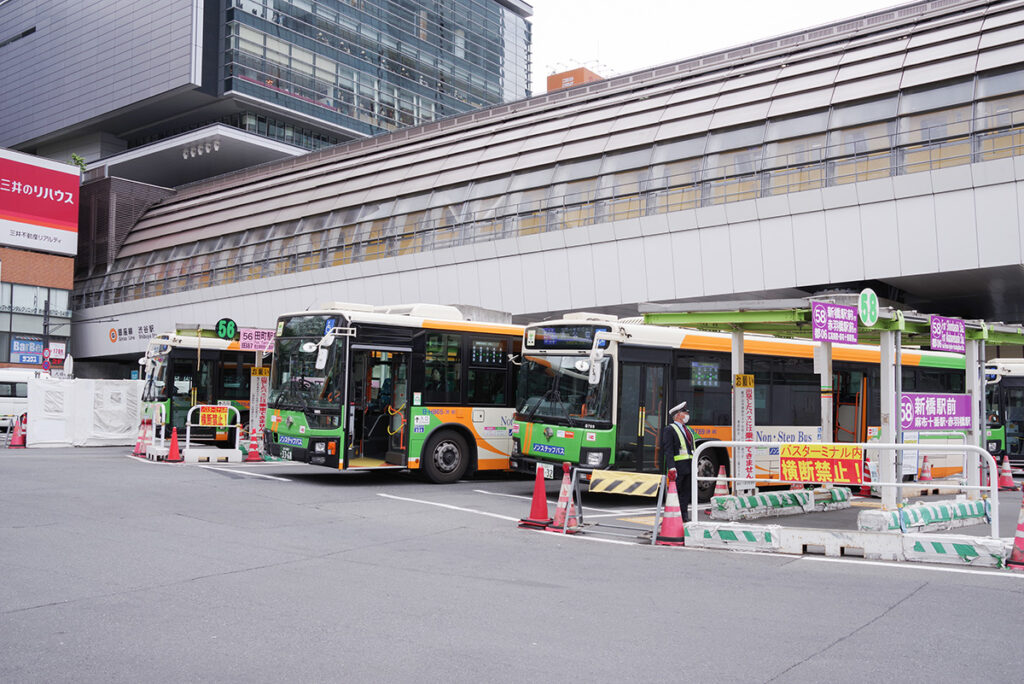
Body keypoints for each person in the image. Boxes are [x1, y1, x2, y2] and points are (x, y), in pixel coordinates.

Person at [661, 401, 696, 521]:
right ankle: (673, 517)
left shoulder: (688, 430)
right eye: (685, 412)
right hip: (678, 467)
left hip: (689, 466)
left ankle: (684, 516)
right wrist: (671, 467)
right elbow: (668, 450)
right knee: (675, 493)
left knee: (686, 493)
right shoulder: (669, 429)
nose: (687, 415)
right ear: (678, 415)